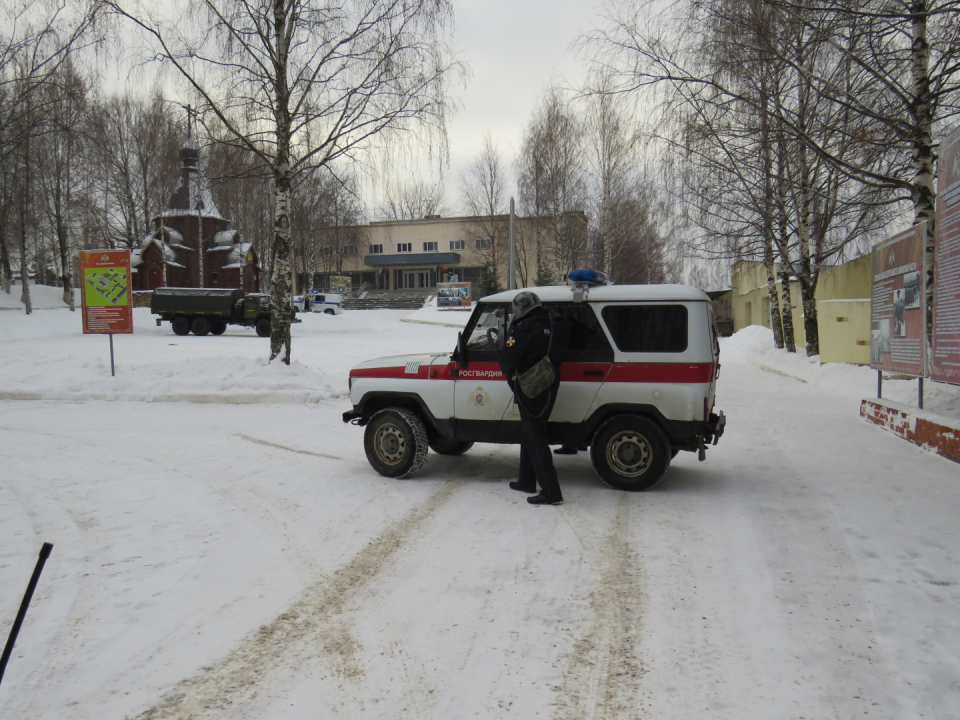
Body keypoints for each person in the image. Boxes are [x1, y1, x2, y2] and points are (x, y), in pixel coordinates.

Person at [497, 291, 566, 506]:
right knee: (530, 432)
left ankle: (551, 491)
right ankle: (526, 480)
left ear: (520, 308)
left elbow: (507, 360)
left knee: (535, 437)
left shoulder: (523, 327)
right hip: (550, 381)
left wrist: (506, 338)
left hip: (530, 386)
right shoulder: (555, 321)